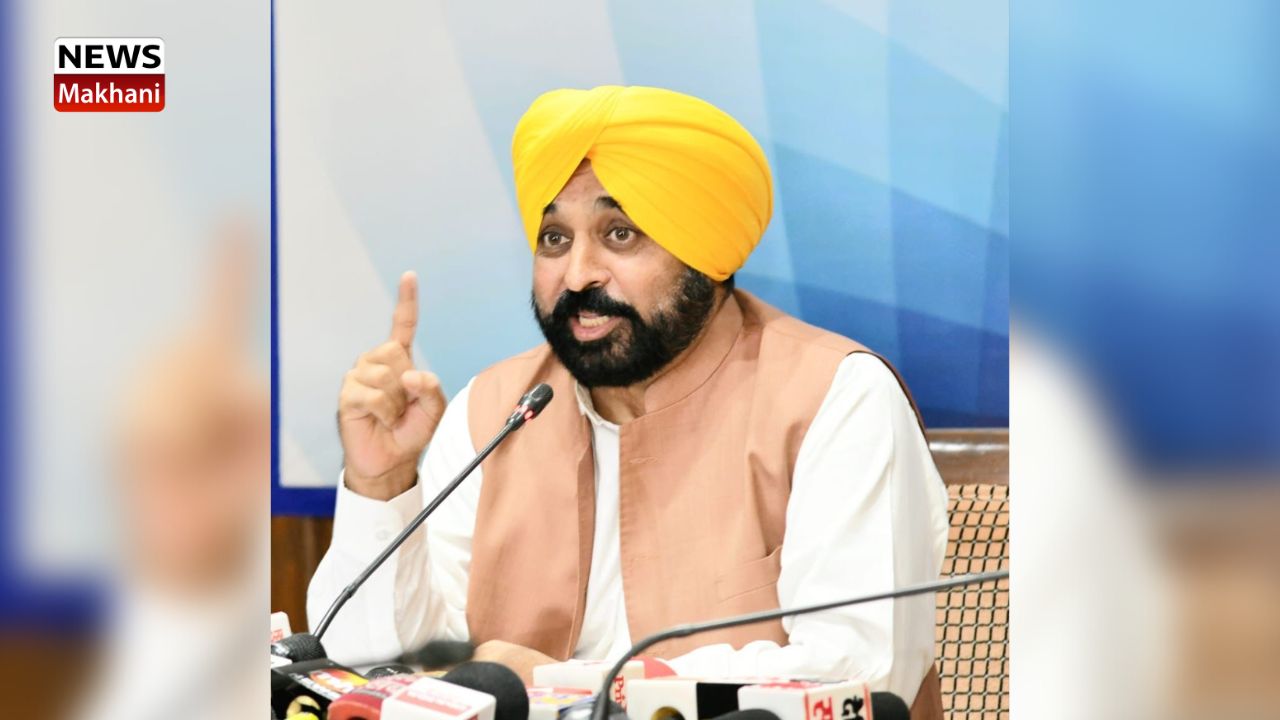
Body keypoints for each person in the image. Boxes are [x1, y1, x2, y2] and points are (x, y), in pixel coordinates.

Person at [308, 86, 949, 714]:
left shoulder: (836, 398)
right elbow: (381, 669)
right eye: (555, 239)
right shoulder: (497, 412)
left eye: (619, 234)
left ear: (706, 253)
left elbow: (858, 675)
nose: (577, 274)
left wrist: (570, 686)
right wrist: (381, 482)